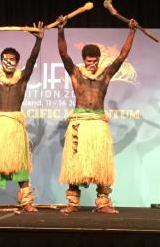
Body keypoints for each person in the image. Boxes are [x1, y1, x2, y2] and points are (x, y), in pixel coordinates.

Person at [56, 15, 138, 213]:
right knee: (75, 163)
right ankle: (73, 203)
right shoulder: (76, 73)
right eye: (88, 60)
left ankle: (103, 202)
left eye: (94, 60)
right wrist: (60, 30)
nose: (91, 64)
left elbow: (122, 56)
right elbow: (63, 54)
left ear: (99, 60)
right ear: (83, 60)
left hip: (98, 122)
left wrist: (132, 31)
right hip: (80, 122)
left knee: (101, 163)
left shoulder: (106, 73)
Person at [0, 20, 44, 212]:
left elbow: (32, 60)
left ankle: (26, 200)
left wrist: (39, 41)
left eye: (12, 59)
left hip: (14, 126)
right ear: (1, 60)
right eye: (5, 59)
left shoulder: (23, 78)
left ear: (17, 62)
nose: (9, 62)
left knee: (19, 162)